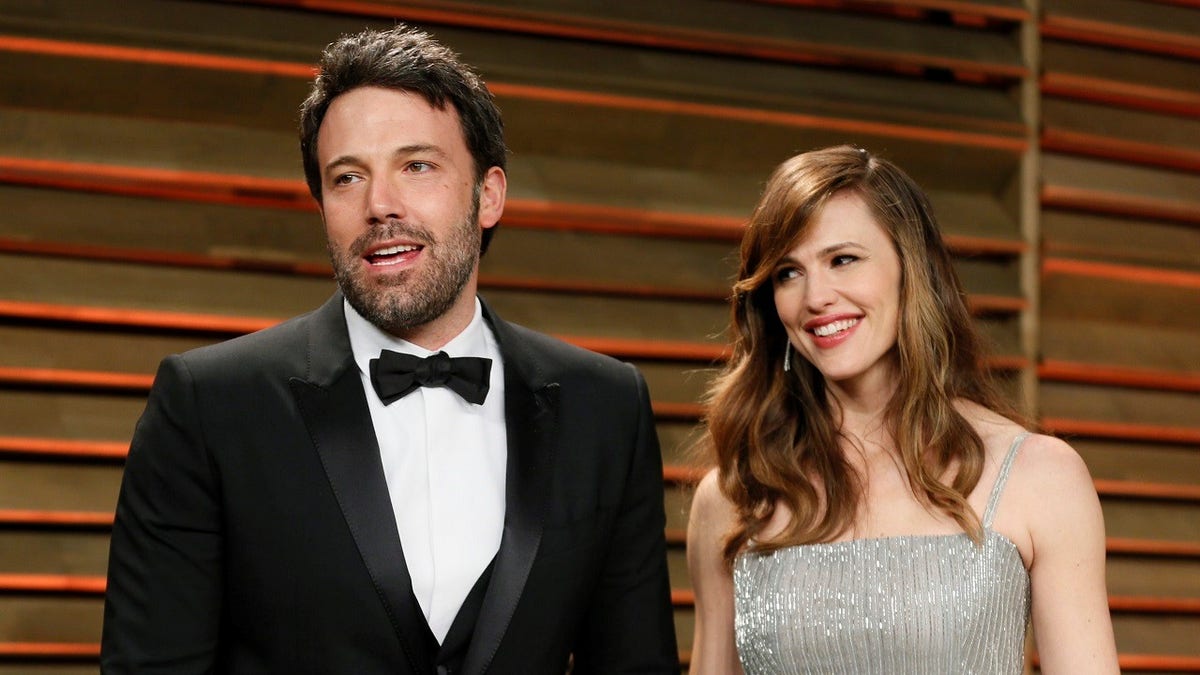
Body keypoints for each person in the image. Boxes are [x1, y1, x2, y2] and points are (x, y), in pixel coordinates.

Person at [101, 25, 678, 674]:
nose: (380, 204)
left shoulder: (605, 406)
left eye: (417, 165)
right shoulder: (209, 405)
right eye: (347, 178)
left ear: (488, 195)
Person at [686, 146, 1119, 674]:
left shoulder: (1041, 476)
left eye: (843, 259)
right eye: (788, 273)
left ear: (910, 269)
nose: (816, 296)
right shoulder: (734, 496)